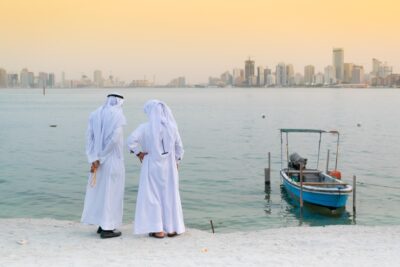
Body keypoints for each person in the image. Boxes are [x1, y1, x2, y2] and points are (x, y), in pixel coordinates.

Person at [127, 99, 185, 238]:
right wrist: (176, 161)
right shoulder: (172, 127)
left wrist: (138, 153)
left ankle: (158, 229)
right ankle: (171, 229)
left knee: (152, 196)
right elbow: (179, 148)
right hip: (169, 167)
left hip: (151, 164)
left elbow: (130, 141)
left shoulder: (144, 127)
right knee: (170, 195)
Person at [81, 93, 126, 239]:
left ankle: (102, 224)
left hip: (97, 162)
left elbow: (89, 137)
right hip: (111, 160)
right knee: (111, 194)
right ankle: (107, 228)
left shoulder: (95, 114)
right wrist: (102, 158)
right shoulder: (118, 115)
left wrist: (93, 158)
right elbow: (114, 140)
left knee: (101, 194)